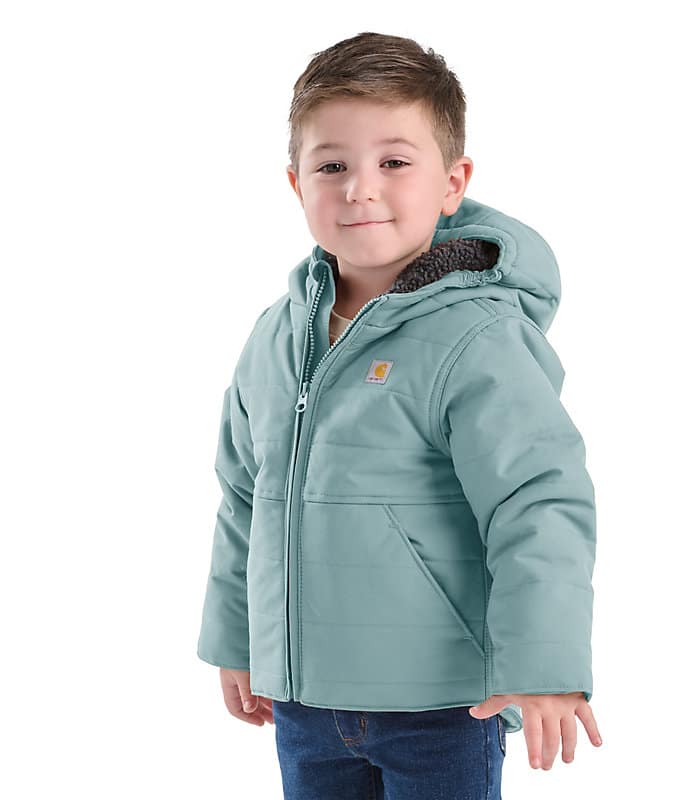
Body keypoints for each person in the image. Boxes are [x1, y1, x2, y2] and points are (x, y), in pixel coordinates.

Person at [197, 31, 603, 799]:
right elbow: (244, 496)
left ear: (453, 182)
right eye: (332, 166)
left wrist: (545, 665)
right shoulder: (276, 336)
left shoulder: (478, 338)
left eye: (393, 162)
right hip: (304, 702)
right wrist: (237, 637)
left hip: (441, 705)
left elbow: (538, 501)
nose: (360, 189)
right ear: (296, 183)